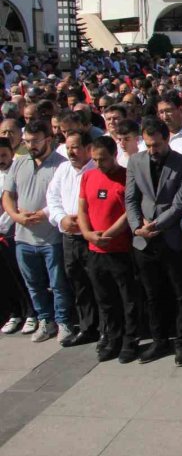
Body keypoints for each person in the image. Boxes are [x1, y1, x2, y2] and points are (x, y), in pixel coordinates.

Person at [125, 116, 182, 365]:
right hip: (144, 242)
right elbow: (131, 198)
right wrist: (136, 227)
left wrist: (155, 225)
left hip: (171, 238)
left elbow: (180, 203)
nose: (153, 150)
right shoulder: (135, 161)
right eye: (148, 145)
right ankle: (159, 340)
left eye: (157, 145)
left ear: (167, 139)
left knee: (180, 294)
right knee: (152, 294)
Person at [2, 121, 73, 343]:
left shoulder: (61, 165)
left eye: (35, 141)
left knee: (58, 283)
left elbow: (62, 197)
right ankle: (45, 319)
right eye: (27, 141)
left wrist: (43, 213)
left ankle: (64, 321)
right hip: (23, 237)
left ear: (48, 140)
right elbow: (8, 195)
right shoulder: (19, 163)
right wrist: (16, 216)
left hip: (51, 237)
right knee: (33, 283)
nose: (31, 146)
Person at [77, 136, 138, 363]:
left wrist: (109, 233)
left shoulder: (125, 177)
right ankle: (112, 338)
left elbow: (129, 212)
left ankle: (130, 341)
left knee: (128, 300)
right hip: (95, 250)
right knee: (105, 300)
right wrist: (87, 233)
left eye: (103, 159)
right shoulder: (88, 176)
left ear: (114, 155)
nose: (98, 164)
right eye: (94, 159)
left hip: (120, 249)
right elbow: (82, 208)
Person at [47, 130, 100, 347]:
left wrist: (85, 222)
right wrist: (61, 219)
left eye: (75, 147)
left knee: (99, 284)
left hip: (91, 237)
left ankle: (106, 330)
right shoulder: (63, 169)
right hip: (69, 237)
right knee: (78, 284)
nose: (71, 152)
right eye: (68, 147)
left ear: (88, 148)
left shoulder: (96, 169)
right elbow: (52, 196)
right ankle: (87, 328)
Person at [0, 137, 37, 336]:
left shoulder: (16, 171)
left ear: (11, 154)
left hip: (14, 234)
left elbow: (13, 205)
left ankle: (31, 313)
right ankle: (14, 313)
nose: (1, 159)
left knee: (23, 277)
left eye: (4, 155)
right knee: (5, 280)